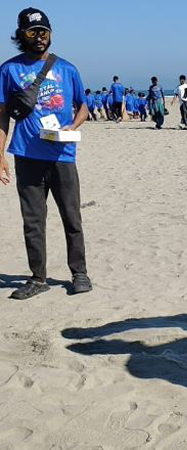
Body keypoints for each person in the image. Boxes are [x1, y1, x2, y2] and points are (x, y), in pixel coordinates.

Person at [0, 7, 93, 299]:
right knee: (33, 220)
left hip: (62, 155)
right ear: (21, 36)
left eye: (44, 32)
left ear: (50, 34)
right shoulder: (9, 70)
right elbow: (2, 114)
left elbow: (83, 107)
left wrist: (71, 126)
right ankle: (38, 278)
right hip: (26, 155)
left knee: (71, 216)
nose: (39, 37)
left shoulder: (67, 69)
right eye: (32, 32)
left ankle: (79, 274)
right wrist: (0, 154)